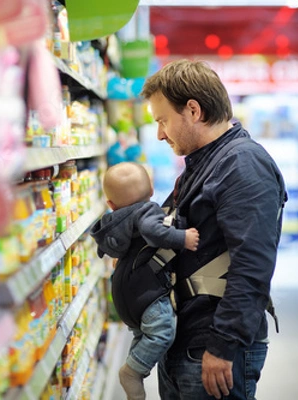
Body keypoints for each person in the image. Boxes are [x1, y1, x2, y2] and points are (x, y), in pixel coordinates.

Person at [141, 59, 286, 400]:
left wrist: (223, 346)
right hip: (187, 339)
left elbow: (252, 266)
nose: (160, 134)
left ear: (193, 110)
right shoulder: (206, 162)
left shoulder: (242, 165)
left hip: (213, 347)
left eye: (163, 121)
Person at [89, 161, 200, 400]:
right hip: (146, 293)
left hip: (124, 293)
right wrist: (182, 238)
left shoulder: (114, 219)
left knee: (142, 335)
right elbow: (153, 232)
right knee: (162, 333)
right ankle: (132, 372)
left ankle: (134, 375)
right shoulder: (146, 210)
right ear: (151, 189)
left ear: (110, 203)